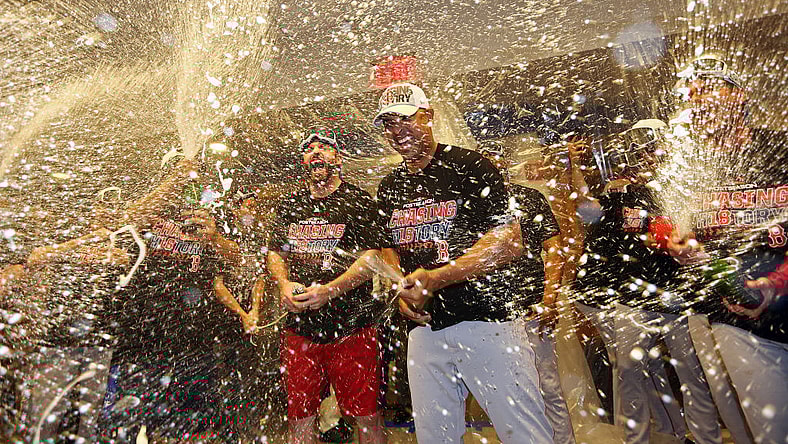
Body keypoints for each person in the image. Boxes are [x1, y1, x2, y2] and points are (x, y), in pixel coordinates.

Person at [373, 82, 553, 443]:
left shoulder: (469, 165)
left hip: (487, 321)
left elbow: (508, 242)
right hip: (423, 329)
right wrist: (400, 289)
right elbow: (388, 246)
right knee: (433, 436)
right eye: (390, 123)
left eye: (406, 119)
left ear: (429, 117)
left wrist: (437, 278)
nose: (398, 130)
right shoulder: (389, 185)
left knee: (523, 432)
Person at [570, 119, 726, 444]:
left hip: (680, 297)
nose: (643, 154)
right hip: (633, 298)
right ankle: (636, 440)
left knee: (691, 375)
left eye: (649, 146)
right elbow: (585, 210)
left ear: (665, 147)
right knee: (628, 373)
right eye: (637, 147)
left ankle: (703, 440)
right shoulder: (623, 191)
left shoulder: (684, 186)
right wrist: (575, 165)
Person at [669, 55, 788, 444]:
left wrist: (775, 283)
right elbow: (686, 231)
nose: (697, 100)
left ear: (739, 96)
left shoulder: (780, 149)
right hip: (738, 320)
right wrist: (681, 246)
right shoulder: (696, 167)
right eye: (692, 93)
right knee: (771, 432)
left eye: (707, 89)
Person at [102, 155, 243, 443]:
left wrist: (214, 237)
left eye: (191, 173)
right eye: (180, 171)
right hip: (144, 333)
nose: (189, 178)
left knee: (189, 426)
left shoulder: (207, 211)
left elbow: (235, 258)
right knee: (128, 420)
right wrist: (177, 177)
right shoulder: (152, 209)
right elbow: (129, 218)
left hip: (193, 336)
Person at [267, 128, 387, 444]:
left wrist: (331, 290)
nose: (317, 152)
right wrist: (283, 283)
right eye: (309, 149)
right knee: (300, 420)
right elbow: (275, 253)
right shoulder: (290, 205)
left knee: (367, 418)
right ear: (303, 162)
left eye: (325, 147)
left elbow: (372, 258)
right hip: (301, 330)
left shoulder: (357, 199)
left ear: (338, 158)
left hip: (353, 326)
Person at [480, 142, 576, 444]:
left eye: (497, 161)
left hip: (532, 306)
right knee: (504, 389)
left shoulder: (529, 198)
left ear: (506, 165)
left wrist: (549, 299)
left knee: (546, 385)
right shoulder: (472, 202)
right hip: (490, 313)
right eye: (486, 162)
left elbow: (554, 248)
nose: (493, 168)